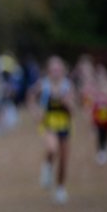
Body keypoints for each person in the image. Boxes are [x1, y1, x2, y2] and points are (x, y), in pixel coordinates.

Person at [29, 56, 76, 204]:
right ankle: (47, 166)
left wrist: (66, 103)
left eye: (58, 69)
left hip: (64, 125)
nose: (56, 72)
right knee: (52, 148)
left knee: (63, 160)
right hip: (48, 124)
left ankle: (60, 188)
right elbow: (30, 96)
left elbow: (73, 110)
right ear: (48, 71)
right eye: (53, 69)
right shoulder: (43, 85)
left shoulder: (68, 87)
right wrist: (35, 111)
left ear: (63, 70)